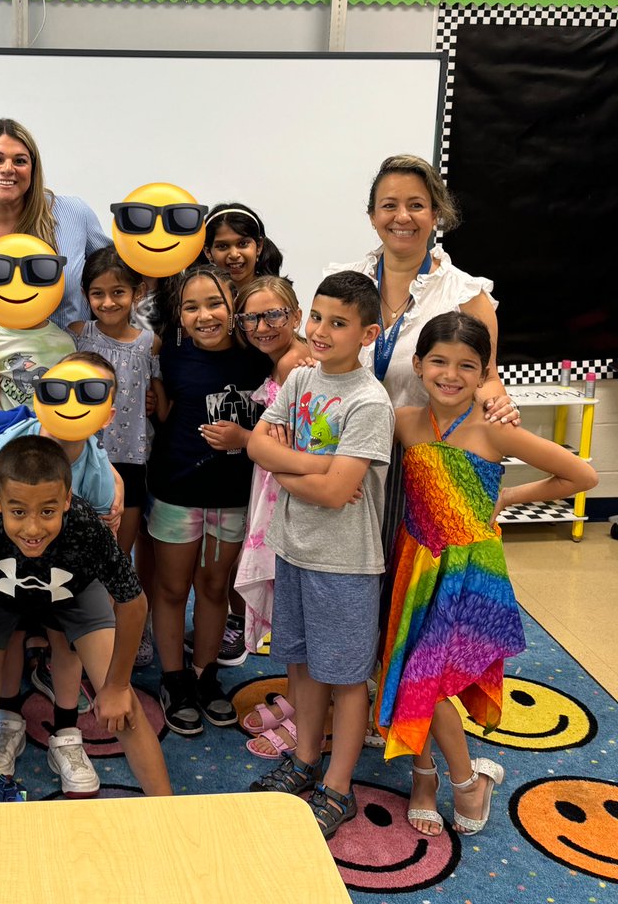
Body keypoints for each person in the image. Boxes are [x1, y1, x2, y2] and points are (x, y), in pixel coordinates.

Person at [376, 312, 596, 836]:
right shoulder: (404, 420)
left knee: (426, 680)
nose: (450, 375)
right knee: (408, 669)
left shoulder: (495, 431)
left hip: (468, 572)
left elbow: (581, 473)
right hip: (415, 561)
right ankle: (425, 773)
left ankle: (462, 780)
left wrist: (511, 495)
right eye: (439, 362)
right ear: (418, 364)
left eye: (466, 367)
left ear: (483, 376)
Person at [0, 436, 171, 801]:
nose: (33, 529)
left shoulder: (85, 526)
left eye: (48, 512)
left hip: (75, 594)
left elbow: (134, 603)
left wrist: (115, 685)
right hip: (2, 593)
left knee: (125, 706)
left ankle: (169, 811)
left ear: (67, 500)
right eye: (18, 512)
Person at [245, 270, 394, 840]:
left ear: (368, 332)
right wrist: (307, 466)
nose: (321, 331)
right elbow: (259, 445)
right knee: (302, 663)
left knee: (347, 677)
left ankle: (338, 785)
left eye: (338, 322)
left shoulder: (369, 401)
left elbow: (338, 495)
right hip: (294, 548)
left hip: (345, 563)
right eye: (316, 317)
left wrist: (286, 467)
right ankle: (305, 758)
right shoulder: (301, 379)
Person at [326, 154, 518, 550]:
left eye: (416, 205)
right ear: (372, 215)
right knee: (350, 583)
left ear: (436, 214)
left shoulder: (465, 294)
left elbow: (486, 377)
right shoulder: (345, 283)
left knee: (410, 580)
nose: (402, 217)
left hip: (424, 459)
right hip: (347, 456)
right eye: (389, 205)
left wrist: (500, 406)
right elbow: (320, 354)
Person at [146, 267, 271, 737]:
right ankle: (174, 679)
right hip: (178, 489)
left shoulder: (256, 354)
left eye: (215, 304)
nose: (204, 315)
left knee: (216, 588)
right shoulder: (170, 352)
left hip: (234, 496)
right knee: (173, 588)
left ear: (234, 306)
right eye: (191, 307)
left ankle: (205, 675)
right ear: (178, 315)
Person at [0, 117, 109, 330]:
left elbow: (118, 279)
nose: (7, 169)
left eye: (20, 161)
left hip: (73, 359)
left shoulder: (74, 215)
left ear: (33, 171)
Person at [228, 279, 310, 740]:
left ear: (295, 316)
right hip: (278, 485)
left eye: (273, 315)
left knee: (296, 605)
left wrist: (247, 441)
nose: (262, 326)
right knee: (290, 609)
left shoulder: (297, 360)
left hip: (291, 491)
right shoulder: (281, 361)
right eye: (252, 318)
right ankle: (300, 700)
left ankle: (307, 714)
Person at [67, 247, 163, 556]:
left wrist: (150, 400)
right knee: (79, 547)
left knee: (120, 554)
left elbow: (160, 402)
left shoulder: (149, 343)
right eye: (98, 294)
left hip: (132, 458)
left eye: (118, 292)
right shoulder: (78, 335)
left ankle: (118, 605)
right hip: (83, 453)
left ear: (138, 292)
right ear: (85, 294)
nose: (108, 302)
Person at [199, 203, 284, 293]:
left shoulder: (276, 295)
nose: (234, 255)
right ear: (208, 251)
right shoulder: (200, 297)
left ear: (259, 246)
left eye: (243, 244)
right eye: (222, 246)